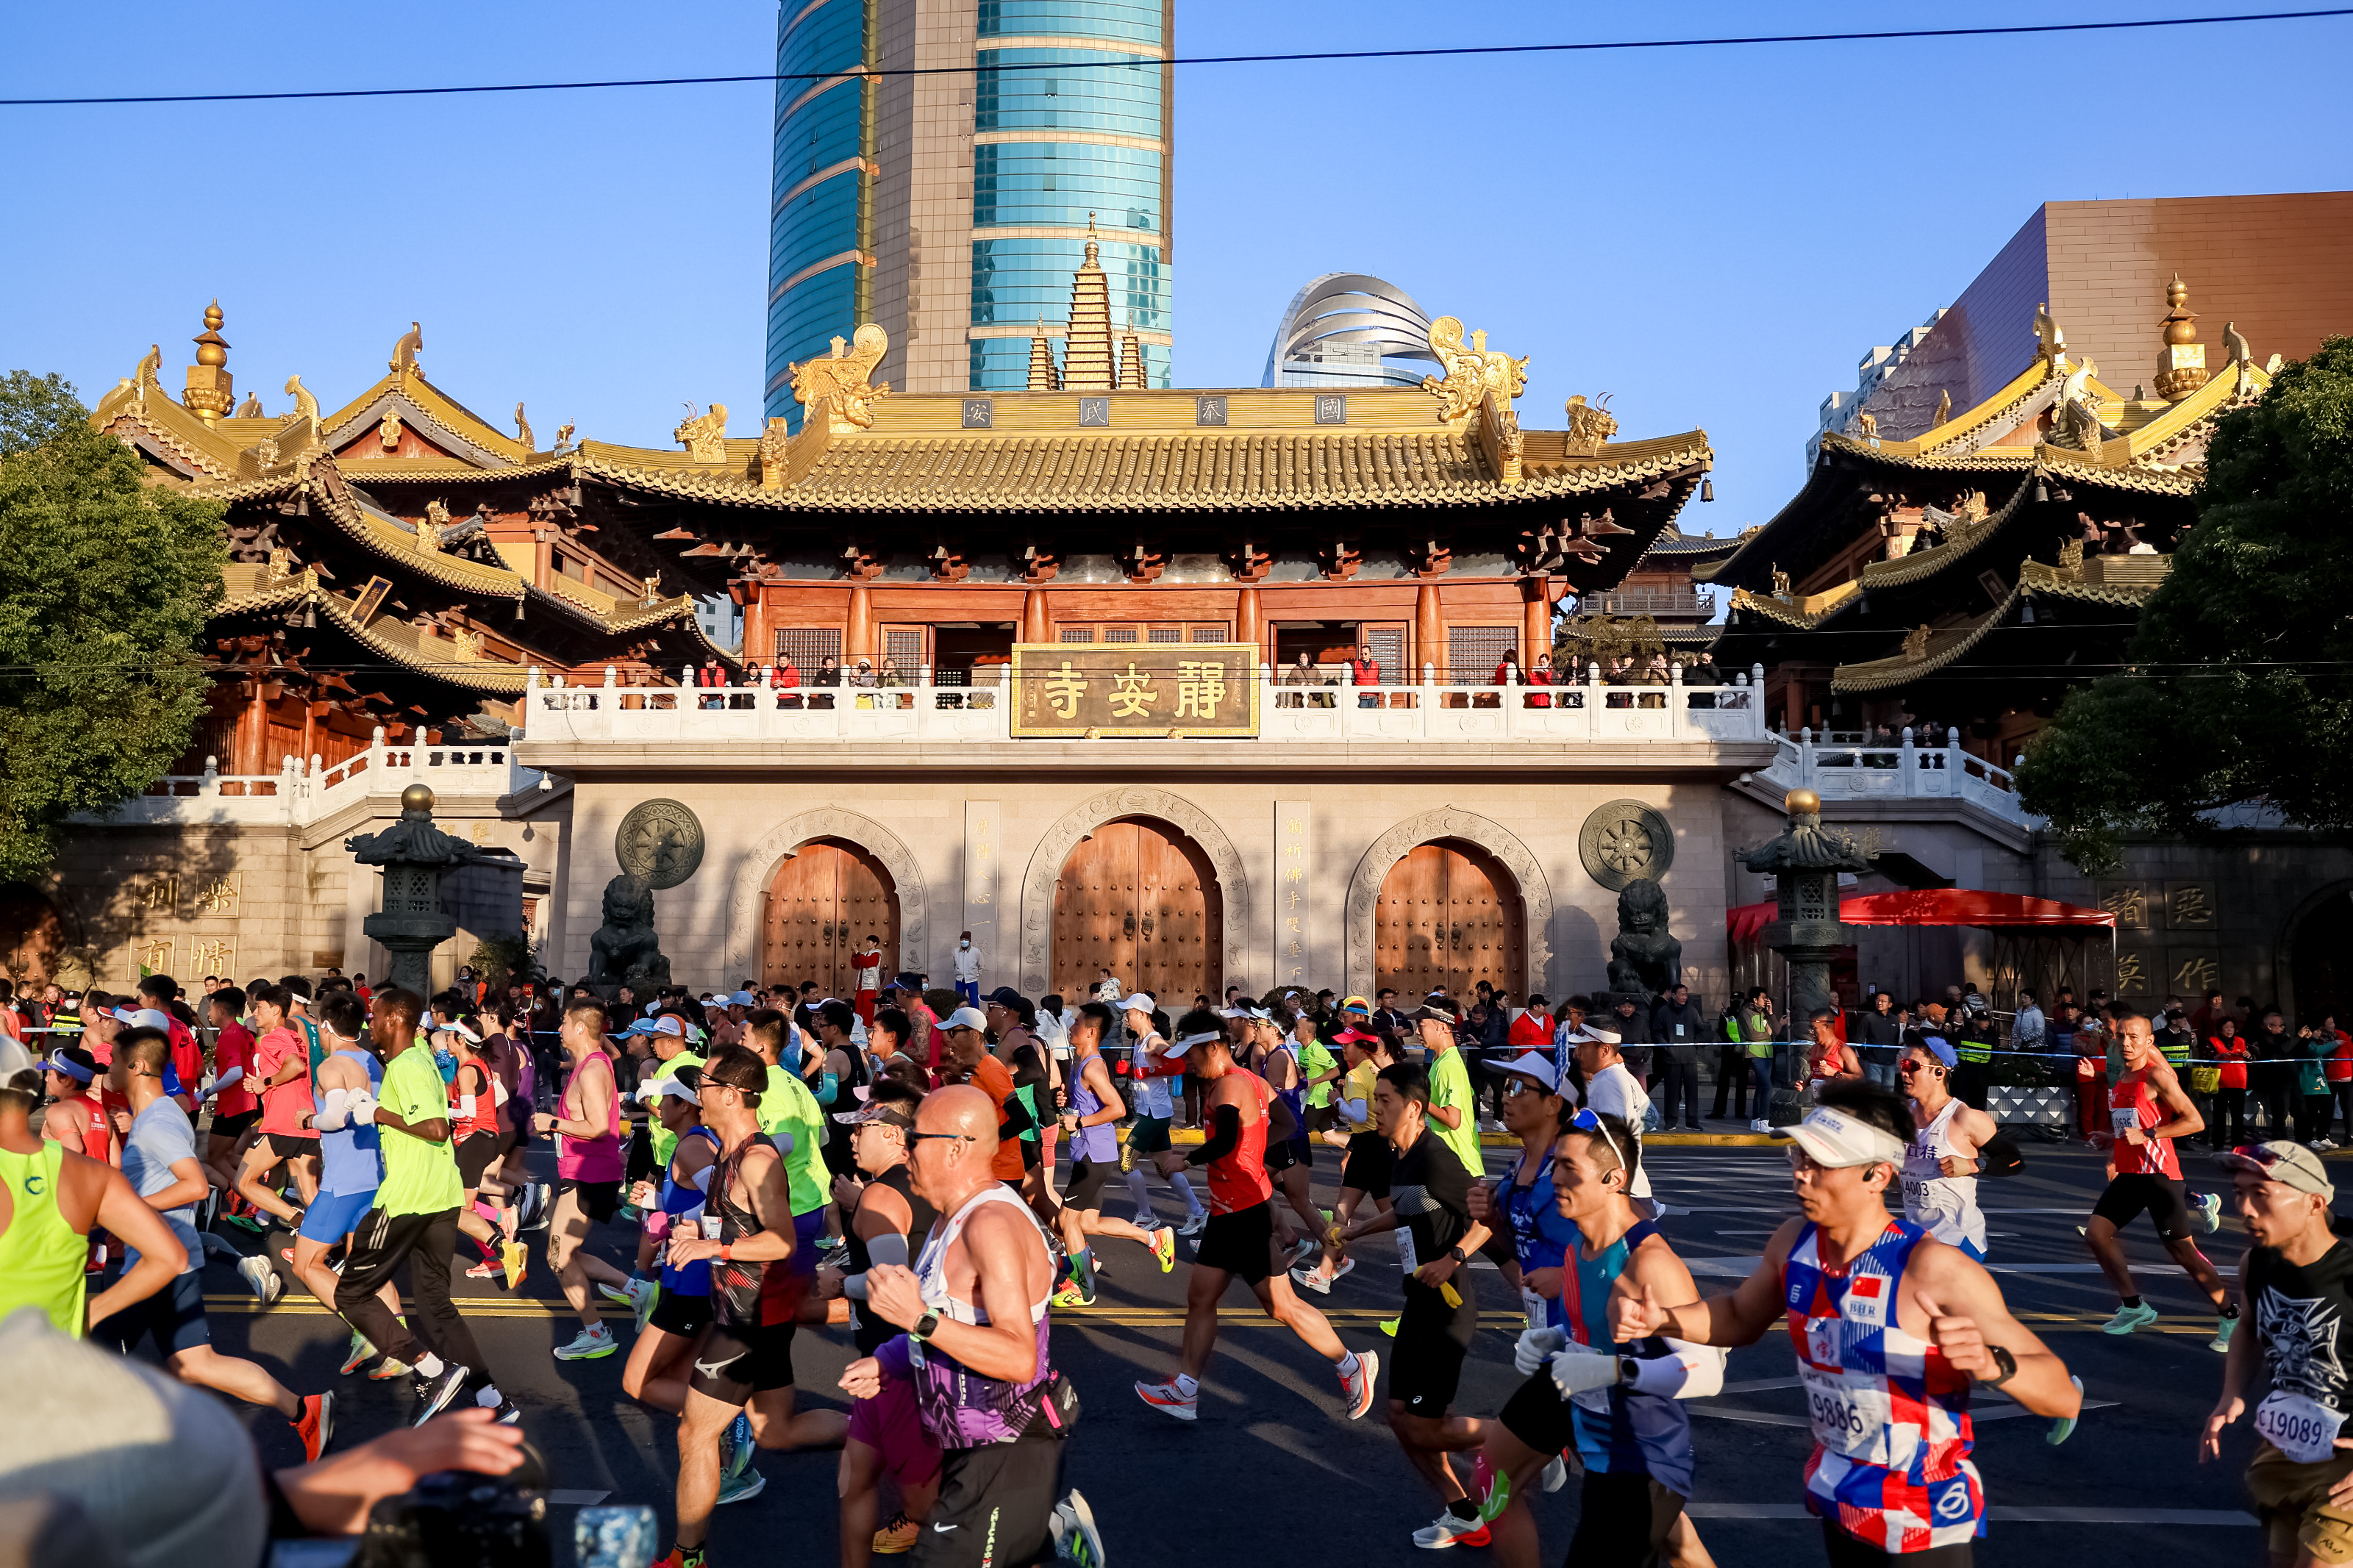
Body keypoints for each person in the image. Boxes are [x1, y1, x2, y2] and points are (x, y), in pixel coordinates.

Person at [1615, 1081, 2082, 1564]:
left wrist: (1992, 1364)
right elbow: (1738, 1316)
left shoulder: (1933, 1269)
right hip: (1840, 1499)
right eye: (1799, 1157)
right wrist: (1662, 1319)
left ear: (1878, 1175)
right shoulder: (1794, 1242)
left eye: (1822, 1164)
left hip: (1919, 1518)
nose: (1802, 1174)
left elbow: (2063, 1393)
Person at [835, 1084, 1101, 1568]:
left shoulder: (990, 1224)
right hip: (966, 1446)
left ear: (955, 1147)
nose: (905, 1148)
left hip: (1005, 1446)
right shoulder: (948, 1217)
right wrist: (890, 1358)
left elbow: (1018, 1356)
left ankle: (1048, 1527)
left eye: (915, 1138)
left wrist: (918, 1319)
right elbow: (952, 1312)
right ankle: (1050, 1529)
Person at [1477, 1100, 1724, 1568]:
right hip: (1598, 1443)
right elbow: (1594, 1334)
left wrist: (1612, 1368)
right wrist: (1552, 1341)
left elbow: (1708, 1371)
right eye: (1555, 1166)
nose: (1555, 1180)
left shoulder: (1648, 1262)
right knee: (1493, 1480)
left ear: (1613, 1180)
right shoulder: (1579, 1247)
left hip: (1643, 1462)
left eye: (1570, 1168)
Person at [93, 1028, 334, 1461]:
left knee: (94, 1350)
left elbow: (194, 1186)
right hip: (175, 1258)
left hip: (155, 1265)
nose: (106, 1069)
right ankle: (304, 1410)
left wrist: (126, 1210)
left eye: (113, 1062)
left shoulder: (156, 1123)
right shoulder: (162, 1112)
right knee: (195, 1363)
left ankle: (111, 1465)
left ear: (138, 1067)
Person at [1136, 1009, 1378, 1423]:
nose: (1188, 1063)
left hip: (1243, 1212)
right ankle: (1186, 1390)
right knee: (1205, 1298)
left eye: (1192, 1054)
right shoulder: (1255, 1082)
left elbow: (1228, 1137)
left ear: (1213, 1048)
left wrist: (1186, 1160)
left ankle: (1352, 1364)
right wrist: (1254, 1155)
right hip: (1233, 1207)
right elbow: (1286, 1123)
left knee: (1280, 1305)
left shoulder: (1229, 1086)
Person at [658, 1047, 820, 1561]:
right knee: (776, 1430)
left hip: (748, 1320)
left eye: (702, 1084)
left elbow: (781, 1241)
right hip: (752, 1314)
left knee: (694, 1430)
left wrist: (716, 1247)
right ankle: (881, 1436)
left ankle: (687, 1554)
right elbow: (740, 1222)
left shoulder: (757, 1159)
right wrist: (697, 1230)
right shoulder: (726, 1151)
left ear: (730, 1094)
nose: (694, 1093)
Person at [332, 987, 515, 1426]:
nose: (368, 1024)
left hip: (407, 1199)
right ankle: (492, 1399)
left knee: (351, 1295)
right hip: (442, 1196)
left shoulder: (410, 1065)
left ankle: (433, 1371)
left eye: (374, 1016)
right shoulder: (414, 1056)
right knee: (434, 1304)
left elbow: (434, 1128)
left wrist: (375, 1112)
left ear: (395, 1018)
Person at [1335, 1062, 1490, 1545]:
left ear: (1414, 1107)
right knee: (1400, 1417)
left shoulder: (1434, 1157)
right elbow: (1406, 1209)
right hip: (1417, 1305)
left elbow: (1487, 1216)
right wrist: (1358, 1228)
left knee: (1426, 1426)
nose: (1375, 1107)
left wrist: (1453, 1257)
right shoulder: (1397, 1152)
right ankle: (1463, 1511)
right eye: (1375, 1099)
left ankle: (1532, 1439)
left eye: (1385, 1100)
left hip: (1448, 1306)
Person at [2198, 1140, 2353, 1567]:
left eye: (2261, 1194)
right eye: (2239, 1193)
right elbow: (2247, 1327)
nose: (2245, 1209)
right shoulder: (2257, 1262)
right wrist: (2233, 1394)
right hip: (2286, 1448)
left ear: (2314, 1203)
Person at [818, 1078, 943, 1564]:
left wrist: (838, 1283)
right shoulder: (921, 1183)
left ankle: (1045, 1525)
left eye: (863, 1127)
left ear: (893, 1133)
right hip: (889, 1361)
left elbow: (890, 1281)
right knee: (855, 1476)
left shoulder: (879, 1197)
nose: (852, 1136)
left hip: (896, 1363)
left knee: (927, 1505)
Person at [2084, 1009, 2235, 1348]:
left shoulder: (2156, 1076)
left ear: (2149, 1041)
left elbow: (2194, 1121)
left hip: (2160, 1177)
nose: (2126, 1042)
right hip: (2129, 1174)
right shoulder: (2121, 1077)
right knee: (2096, 1235)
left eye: (2134, 1036)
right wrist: (2111, 1138)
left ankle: (2230, 1315)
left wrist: (2151, 1134)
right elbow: (2129, 1126)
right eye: (2121, 1035)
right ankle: (2134, 1306)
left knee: (2184, 1254)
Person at [299, 991, 414, 1380]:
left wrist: (306, 1121)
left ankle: (374, 1331)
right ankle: (395, 1343)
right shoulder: (373, 1061)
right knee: (368, 1266)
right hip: (375, 1176)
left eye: (318, 1023)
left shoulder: (333, 1065)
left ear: (326, 1026)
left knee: (307, 1265)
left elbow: (333, 1118)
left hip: (343, 1182)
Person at [1050, 1001, 1176, 1307]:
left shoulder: (1092, 1065)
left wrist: (1079, 1121)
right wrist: (1065, 1100)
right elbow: (1090, 1101)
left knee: (1067, 1222)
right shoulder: (1083, 1062)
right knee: (1087, 1224)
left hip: (1094, 1154)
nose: (1071, 1028)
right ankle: (1153, 1239)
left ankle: (1082, 1288)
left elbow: (1117, 1108)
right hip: (1090, 1153)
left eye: (1077, 1024)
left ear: (1090, 1032)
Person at [536, 998, 639, 1359]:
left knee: (558, 1257)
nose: (559, 1027)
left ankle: (597, 1333)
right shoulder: (592, 1064)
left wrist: (553, 1123)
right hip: (583, 1171)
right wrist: (561, 1130)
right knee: (566, 1253)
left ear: (580, 1027)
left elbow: (597, 1127)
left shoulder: (592, 1070)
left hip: (588, 1173)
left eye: (564, 1021)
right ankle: (636, 1291)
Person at [619, 1070, 721, 1419]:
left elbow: (721, 1203)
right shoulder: (696, 1141)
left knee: (639, 1381)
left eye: (666, 1099)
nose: (658, 1105)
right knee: (682, 1382)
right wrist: (658, 1202)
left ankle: (735, 1424)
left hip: (692, 1282)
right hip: (692, 1277)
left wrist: (675, 1221)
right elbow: (701, 1199)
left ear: (686, 1106)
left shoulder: (694, 1146)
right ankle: (727, 1460)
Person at [1294, 1025, 1396, 1295]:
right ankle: (1325, 1273)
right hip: (1374, 1146)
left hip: (1369, 1147)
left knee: (1398, 1216)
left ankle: (1430, 1261)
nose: (1343, 1048)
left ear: (1362, 1048)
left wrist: (1337, 1101)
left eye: (1347, 1044)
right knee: (1342, 1212)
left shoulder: (1354, 1075)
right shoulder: (1376, 1070)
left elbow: (1360, 1116)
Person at [1116, 992, 1207, 1234]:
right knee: (1165, 1167)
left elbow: (1177, 1065)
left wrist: (1147, 1072)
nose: (1127, 1018)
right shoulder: (1139, 1041)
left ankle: (1146, 1215)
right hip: (1150, 1110)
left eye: (1129, 1013)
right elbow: (1143, 1075)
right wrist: (1129, 1072)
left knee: (1124, 1161)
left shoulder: (1155, 1041)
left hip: (1155, 1113)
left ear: (1143, 1015)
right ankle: (1198, 1212)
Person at [1899, 1038, 1996, 1261]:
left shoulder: (1966, 1118)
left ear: (1939, 1073)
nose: (1904, 1072)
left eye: (1912, 1067)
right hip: (1918, 1235)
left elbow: (2013, 1160)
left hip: (1957, 1238)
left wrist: (1973, 1164)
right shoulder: (1901, 1114)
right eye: (1902, 1065)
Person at [234, 983, 318, 1230]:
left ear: (275, 1010)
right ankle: (335, 1244)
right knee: (309, 1194)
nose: (254, 1013)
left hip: (282, 1123)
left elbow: (295, 1067)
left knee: (244, 1182)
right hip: (305, 1120)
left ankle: (298, 1221)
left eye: (259, 1007)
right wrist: (263, 1083)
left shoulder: (273, 1038)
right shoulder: (295, 1036)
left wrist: (266, 1083)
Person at [1412, 1000, 1483, 1178]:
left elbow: (1453, 1120)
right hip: (1450, 1164)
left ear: (1442, 1028)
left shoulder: (1448, 1065)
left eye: (1421, 1025)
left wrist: (1420, 1097)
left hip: (1458, 1168)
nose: (1416, 1031)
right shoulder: (1443, 1061)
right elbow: (1472, 1098)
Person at [204, 985, 259, 1188]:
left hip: (233, 1105)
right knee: (227, 1155)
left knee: (214, 1158)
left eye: (210, 1009)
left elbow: (235, 1072)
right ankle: (258, 1176)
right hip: (245, 1102)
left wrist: (207, 1092)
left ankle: (244, 1195)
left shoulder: (230, 1035)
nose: (208, 1014)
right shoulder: (244, 1032)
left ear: (220, 1010)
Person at [38, 1045, 114, 1164]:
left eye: (51, 1074)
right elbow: (116, 1162)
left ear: (67, 1080)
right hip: (101, 1181)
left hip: (69, 1182)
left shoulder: (60, 1111)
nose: (47, 1079)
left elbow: (74, 1150)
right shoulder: (101, 1111)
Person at [1651, 983, 1706, 1132]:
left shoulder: (1692, 1011)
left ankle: (1692, 1121)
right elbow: (1656, 1033)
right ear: (1673, 995)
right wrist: (1667, 1046)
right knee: (1672, 1092)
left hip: (1689, 1058)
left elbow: (1702, 1031)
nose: (1684, 997)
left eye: (1686, 995)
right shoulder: (1663, 1012)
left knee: (1692, 1091)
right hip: (1671, 1058)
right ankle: (1670, 1121)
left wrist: (1696, 1044)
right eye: (1681, 994)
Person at [2210, 1017, 2253, 1149]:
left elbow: (2252, 1060)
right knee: (2219, 1116)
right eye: (2227, 1027)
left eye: (2232, 1027)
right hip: (2220, 1083)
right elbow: (2205, 1059)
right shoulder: (2212, 1041)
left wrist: (2249, 1056)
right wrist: (2219, 1057)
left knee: (2238, 1116)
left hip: (2238, 1083)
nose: (2230, 1030)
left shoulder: (2241, 1041)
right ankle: (2218, 1144)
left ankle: (2237, 1144)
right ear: (2220, 1029)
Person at [1805, 1008, 1863, 1098]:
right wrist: (1805, 1083)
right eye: (1809, 1028)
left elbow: (1861, 1079)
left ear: (1827, 1027)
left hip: (1839, 1106)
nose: (1810, 1032)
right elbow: (1816, 1074)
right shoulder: (1814, 1049)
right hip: (1820, 1106)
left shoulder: (1843, 1051)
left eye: (1814, 1028)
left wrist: (1835, 1073)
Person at [1853, 991, 1904, 1092]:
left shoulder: (1895, 1019)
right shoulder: (1869, 1018)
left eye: (1883, 1001)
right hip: (1873, 1062)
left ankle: (1885, 1109)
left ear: (1890, 1004)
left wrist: (1893, 1054)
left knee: (1888, 1092)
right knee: (1874, 1092)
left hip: (1890, 1062)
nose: (1879, 1003)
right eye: (1878, 1000)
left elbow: (1896, 1039)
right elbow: (1859, 1039)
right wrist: (1865, 1056)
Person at [1352, 634, 1382, 707]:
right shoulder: (1356, 664)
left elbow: (1379, 678)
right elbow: (1352, 679)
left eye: (1365, 654)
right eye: (1362, 654)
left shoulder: (1376, 665)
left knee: (1373, 716)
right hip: (1361, 696)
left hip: (1373, 696)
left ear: (1370, 654)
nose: (1363, 656)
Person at [953, 932, 981, 1008]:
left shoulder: (976, 951)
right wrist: (957, 972)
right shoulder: (956, 951)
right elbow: (955, 964)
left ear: (969, 940)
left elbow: (981, 965)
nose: (963, 941)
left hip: (972, 980)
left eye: (965, 939)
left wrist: (976, 974)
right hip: (960, 980)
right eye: (962, 939)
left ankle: (975, 1017)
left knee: (974, 1000)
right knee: (959, 1000)